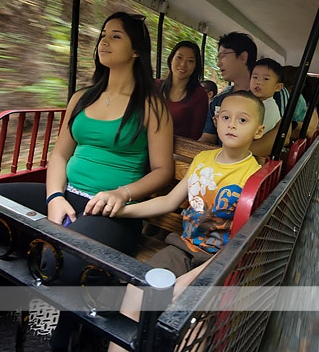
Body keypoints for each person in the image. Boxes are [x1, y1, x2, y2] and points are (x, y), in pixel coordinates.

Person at [0, 11, 174, 350]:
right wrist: (53, 197)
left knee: (55, 261)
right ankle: (2, 292)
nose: (104, 41)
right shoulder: (83, 97)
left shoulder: (152, 106)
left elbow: (163, 171)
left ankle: (80, 325)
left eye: (116, 36)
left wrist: (122, 193)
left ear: (137, 50)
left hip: (110, 211)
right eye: (103, 34)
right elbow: (61, 155)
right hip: (65, 196)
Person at [106, 91, 266, 351]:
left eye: (243, 120)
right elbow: (169, 201)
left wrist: (191, 279)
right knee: (138, 289)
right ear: (216, 120)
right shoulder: (201, 160)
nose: (232, 124)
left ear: (258, 131)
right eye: (226, 117)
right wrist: (121, 210)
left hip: (219, 261)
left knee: (191, 316)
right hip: (181, 248)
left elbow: (240, 242)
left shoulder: (253, 177)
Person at [198, 32, 257, 144]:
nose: (219, 63)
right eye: (218, 58)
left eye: (223, 56)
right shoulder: (218, 101)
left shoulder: (268, 97)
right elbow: (208, 137)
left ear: (243, 57)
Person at [156, 40, 208, 139]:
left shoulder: (199, 95)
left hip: (178, 152)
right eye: (179, 58)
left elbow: (195, 137)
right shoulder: (155, 86)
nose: (183, 65)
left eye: (190, 61)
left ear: (195, 66)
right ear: (171, 59)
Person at [250, 58, 285, 134]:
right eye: (255, 77)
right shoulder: (250, 103)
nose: (258, 82)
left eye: (265, 79)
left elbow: (255, 135)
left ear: (278, 87)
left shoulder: (270, 109)